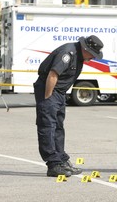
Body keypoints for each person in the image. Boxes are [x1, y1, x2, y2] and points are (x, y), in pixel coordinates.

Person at [33, 35, 104, 177]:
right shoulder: (68, 53)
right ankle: (53, 164)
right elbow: (53, 75)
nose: (92, 58)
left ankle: (61, 160)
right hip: (50, 89)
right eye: (92, 54)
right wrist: (47, 98)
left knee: (58, 126)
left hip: (59, 92)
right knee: (48, 125)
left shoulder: (79, 56)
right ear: (85, 48)